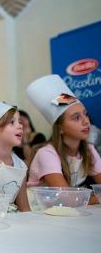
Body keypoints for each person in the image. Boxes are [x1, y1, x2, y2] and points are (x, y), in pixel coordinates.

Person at [26, 75, 101, 204]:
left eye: (85, 114)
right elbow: (66, 198)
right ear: (60, 128)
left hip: (64, 211)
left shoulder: (89, 150)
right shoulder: (47, 154)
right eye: (76, 117)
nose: (86, 121)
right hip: (37, 213)